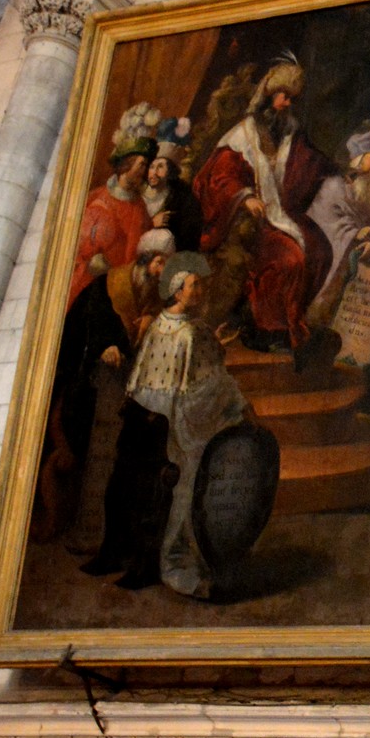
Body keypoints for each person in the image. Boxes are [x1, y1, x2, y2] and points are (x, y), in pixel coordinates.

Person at [117, 252, 249, 597]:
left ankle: (170, 563)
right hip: (183, 428)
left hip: (156, 426)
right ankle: (181, 567)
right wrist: (237, 406)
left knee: (167, 496)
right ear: (178, 291)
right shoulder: (192, 332)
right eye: (195, 285)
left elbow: (150, 377)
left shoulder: (161, 324)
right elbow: (208, 383)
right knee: (186, 495)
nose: (202, 290)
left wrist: (213, 345)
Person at [42, 229, 175, 547]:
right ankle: (89, 529)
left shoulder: (156, 291)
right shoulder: (108, 285)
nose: (163, 272)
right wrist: (106, 345)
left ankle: (121, 534)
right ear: (146, 260)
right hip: (93, 382)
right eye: (160, 264)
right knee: (100, 453)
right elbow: (89, 325)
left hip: (134, 384)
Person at [192, 58, 334, 350]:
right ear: (269, 94)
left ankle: (294, 320)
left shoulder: (290, 132)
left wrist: (337, 168)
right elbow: (219, 177)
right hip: (251, 223)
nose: (285, 104)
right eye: (282, 96)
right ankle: (270, 330)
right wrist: (245, 197)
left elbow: (310, 161)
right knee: (289, 260)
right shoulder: (243, 134)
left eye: (292, 99)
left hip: (282, 215)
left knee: (320, 249)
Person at [306, 127, 370, 313]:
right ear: (360, 158)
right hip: (330, 253)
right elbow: (322, 222)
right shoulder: (333, 186)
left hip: (363, 258)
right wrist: (355, 233)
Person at [70, 133, 155, 303]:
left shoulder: (139, 209)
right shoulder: (96, 197)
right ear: (126, 164)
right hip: (78, 279)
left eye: (146, 166)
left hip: (108, 289)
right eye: (141, 165)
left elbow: (135, 256)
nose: (144, 171)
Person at [142, 149, 202, 250]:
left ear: (170, 171)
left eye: (160, 167)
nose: (154, 173)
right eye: (151, 167)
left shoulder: (182, 197)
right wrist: (151, 224)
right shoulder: (139, 194)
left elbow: (190, 232)